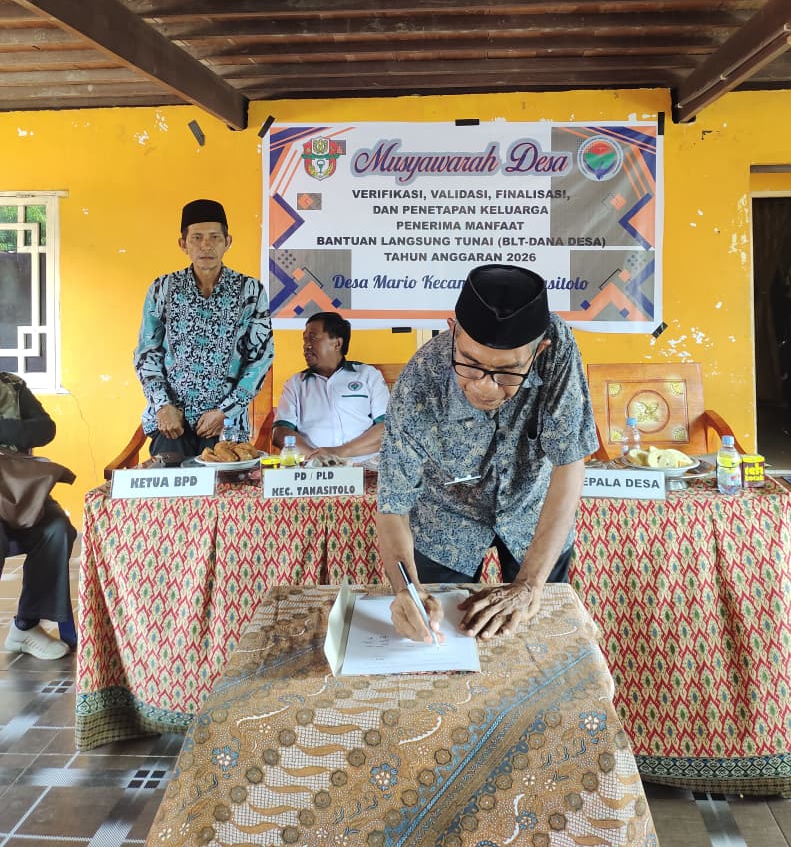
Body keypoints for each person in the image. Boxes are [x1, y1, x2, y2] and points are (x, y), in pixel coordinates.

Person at [376, 263, 597, 643]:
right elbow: (392, 503)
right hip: (446, 520)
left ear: (539, 351)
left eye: (508, 372)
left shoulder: (557, 345)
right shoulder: (420, 380)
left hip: (531, 512)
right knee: (438, 634)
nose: (486, 387)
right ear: (453, 331)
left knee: (538, 634)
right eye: (471, 364)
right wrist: (405, 591)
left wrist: (529, 584)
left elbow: (569, 462)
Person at [134, 198, 274, 459]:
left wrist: (225, 411)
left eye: (214, 237)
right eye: (196, 238)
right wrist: (163, 406)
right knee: (168, 485)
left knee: (226, 486)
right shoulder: (162, 289)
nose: (206, 245)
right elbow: (147, 354)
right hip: (171, 424)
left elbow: (261, 359)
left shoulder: (251, 291)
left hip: (226, 426)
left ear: (227, 242)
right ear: (183, 244)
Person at [1, 372, 77, 660]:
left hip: (17, 487)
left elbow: (45, 428)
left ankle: (26, 626)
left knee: (57, 529)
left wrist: (6, 429)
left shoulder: (11, 385)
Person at [272, 312, 389, 464]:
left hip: (363, 466)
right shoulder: (295, 384)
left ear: (337, 344)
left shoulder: (368, 375)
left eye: (313, 338)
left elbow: (387, 427)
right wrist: (315, 456)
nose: (306, 345)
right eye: (305, 339)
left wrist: (340, 452)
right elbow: (280, 432)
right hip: (315, 468)